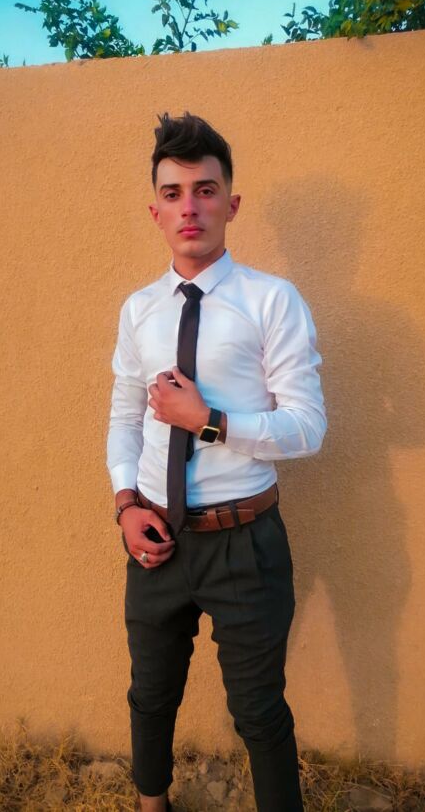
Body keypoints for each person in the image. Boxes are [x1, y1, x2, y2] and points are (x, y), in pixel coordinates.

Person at [106, 110, 327, 812]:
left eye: (205, 190)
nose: (189, 207)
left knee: (259, 710)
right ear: (155, 211)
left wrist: (208, 422)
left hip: (245, 543)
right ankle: (152, 803)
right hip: (156, 535)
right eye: (173, 193)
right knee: (150, 693)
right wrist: (125, 505)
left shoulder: (272, 301)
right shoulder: (138, 311)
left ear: (231, 203)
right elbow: (124, 417)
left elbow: (308, 428)